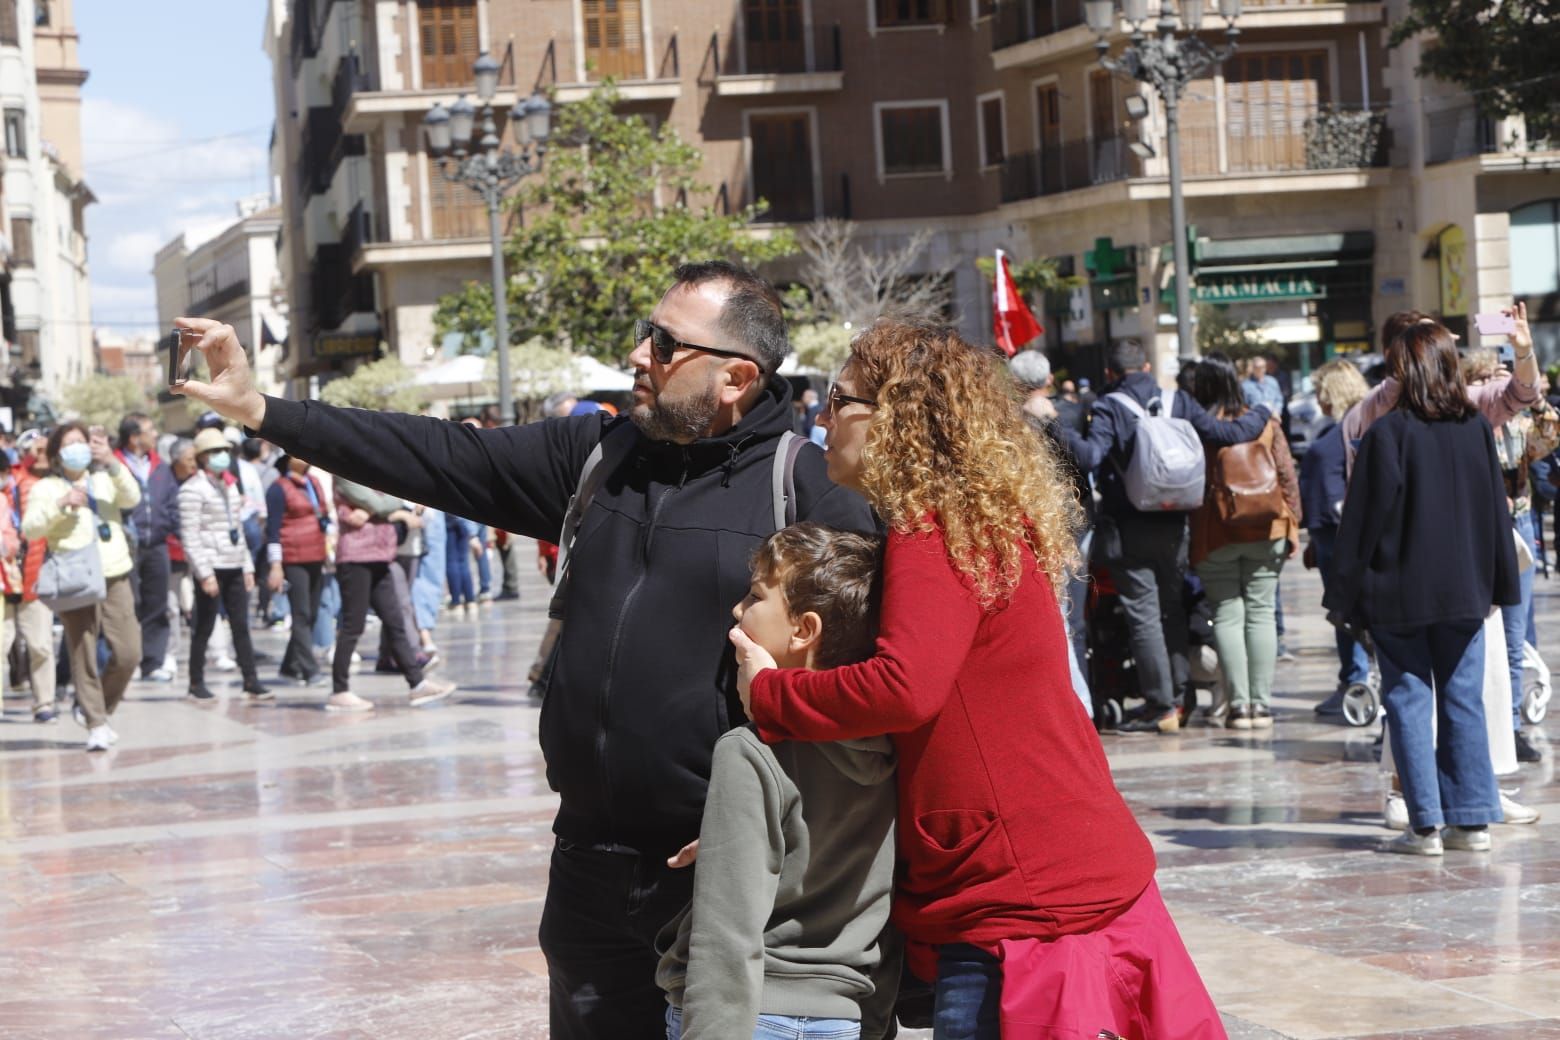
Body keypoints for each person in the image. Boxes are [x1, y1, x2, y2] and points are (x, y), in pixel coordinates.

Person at [170, 259, 874, 1039]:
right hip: (589, 869)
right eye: (646, 335)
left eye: (665, 344)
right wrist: (262, 408)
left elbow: (870, 696)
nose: (638, 356)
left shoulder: (810, 494)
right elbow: (439, 457)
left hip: (726, 881)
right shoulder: (601, 459)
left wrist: (767, 822)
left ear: (735, 377)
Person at [731, 319, 1221, 1038]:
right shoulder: (963, 519)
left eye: (839, 401)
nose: (822, 419)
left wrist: (769, 693)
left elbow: (905, 687)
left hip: (1021, 899)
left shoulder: (935, 527)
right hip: (1037, 870)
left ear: (894, 417)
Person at [655, 523, 896, 1040]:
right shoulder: (890, 747)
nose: (738, 610)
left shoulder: (750, 752)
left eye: (756, 596)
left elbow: (728, 930)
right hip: (842, 1018)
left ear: (803, 631)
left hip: (751, 1017)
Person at [1324, 319, 1517, 855]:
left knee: (1408, 700)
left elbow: (1362, 522)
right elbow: (1493, 516)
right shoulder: (1475, 428)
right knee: (1463, 699)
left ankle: (1425, 824)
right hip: (1464, 590)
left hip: (1399, 591)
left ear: (1402, 371)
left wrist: (1341, 595)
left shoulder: (1388, 433)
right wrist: (1501, 583)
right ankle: (1472, 819)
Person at [1060, 338, 1271, 733]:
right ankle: (1182, 696)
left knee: (1143, 615)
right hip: (1177, 525)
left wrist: (1051, 425)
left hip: (1129, 526)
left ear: (1110, 374)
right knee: (1172, 608)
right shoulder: (1179, 402)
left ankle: (1161, 705)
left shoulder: (1110, 406)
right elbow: (1228, 433)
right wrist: (1262, 410)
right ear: (1146, 367)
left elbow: (1089, 457)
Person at [1188, 353, 1302, 730]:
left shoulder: (1196, 425)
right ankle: (1262, 706)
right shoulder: (1264, 421)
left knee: (1226, 613)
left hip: (1215, 529)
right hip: (1267, 527)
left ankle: (1238, 707)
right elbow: (1286, 472)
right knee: (1261, 611)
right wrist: (1293, 523)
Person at [23, 423, 142, 751]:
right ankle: (96, 723)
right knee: (83, 652)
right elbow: (32, 529)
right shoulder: (46, 487)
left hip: (114, 571)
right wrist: (60, 504)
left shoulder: (105, 477)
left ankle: (95, 706)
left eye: (82, 442)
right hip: (74, 577)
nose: (78, 448)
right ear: (58, 453)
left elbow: (133, 497)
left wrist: (114, 463)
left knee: (130, 652)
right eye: (69, 443)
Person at [331, 477, 453, 712]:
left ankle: (417, 684)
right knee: (353, 625)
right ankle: (339, 690)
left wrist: (379, 508)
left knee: (395, 620)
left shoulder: (367, 471)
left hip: (381, 554)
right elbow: (380, 504)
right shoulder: (344, 475)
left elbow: (393, 499)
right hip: (356, 557)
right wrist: (381, 507)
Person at [1300, 359, 1373, 716]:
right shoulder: (1351, 424)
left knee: (1346, 612)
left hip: (1339, 534)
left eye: (1320, 391)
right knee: (1346, 612)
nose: (1317, 399)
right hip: (1333, 533)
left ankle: (1354, 681)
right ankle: (1355, 679)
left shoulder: (1347, 428)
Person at [179, 428, 270, 702]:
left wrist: (247, 565)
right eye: (215, 452)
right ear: (203, 457)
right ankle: (196, 682)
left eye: (225, 451)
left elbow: (237, 529)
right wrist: (204, 573)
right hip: (211, 564)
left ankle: (250, 680)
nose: (222, 457)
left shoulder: (230, 485)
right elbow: (190, 535)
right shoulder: (192, 489)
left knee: (241, 624)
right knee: (204, 625)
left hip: (233, 562)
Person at [116, 413, 176, 682]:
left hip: (156, 545)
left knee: (156, 604)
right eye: (150, 430)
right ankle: (123, 663)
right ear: (134, 437)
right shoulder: (113, 465)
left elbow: (171, 502)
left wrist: (169, 527)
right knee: (127, 605)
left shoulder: (161, 467)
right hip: (125, 547)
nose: (155, 435)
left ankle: (153, 662)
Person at [266, 454, 330, 685]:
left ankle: (290, 667)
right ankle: (310, 670)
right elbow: (272, 531)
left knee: (312, 613)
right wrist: (275, 565)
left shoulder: (313, 482)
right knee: (301, 614)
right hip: (293, 558)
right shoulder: (278, 489)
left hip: (316, 554)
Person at [9, 429, 59, 722]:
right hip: (8, 576)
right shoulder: (11, 482)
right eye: (37, 451)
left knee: (40, 644)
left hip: (39, 575)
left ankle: (45, 703)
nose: (43, 457)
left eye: (47, 451)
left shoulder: (56, 483)